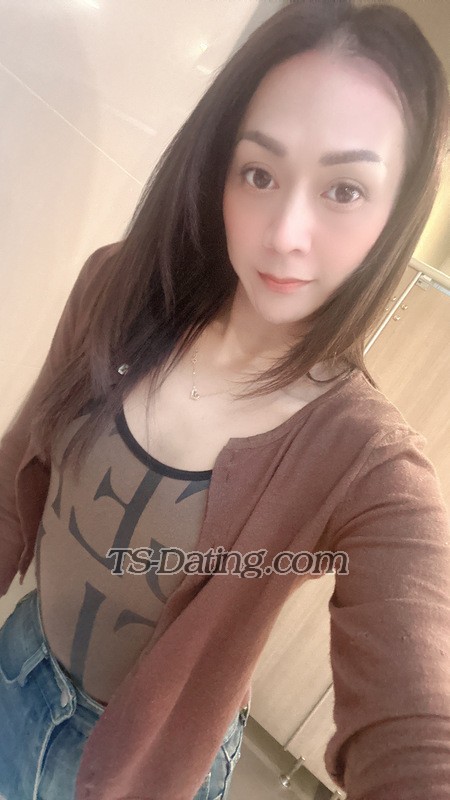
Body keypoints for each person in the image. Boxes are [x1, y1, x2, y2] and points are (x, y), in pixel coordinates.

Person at [0, 1, 449, 799]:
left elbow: (417, 724)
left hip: (143, 770)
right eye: (260, 173)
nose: (286, 233)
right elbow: (16, 474)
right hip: (17, 671)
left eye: (345, 190)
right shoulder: (116, 286)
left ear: (396, 213)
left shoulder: (366, 462)